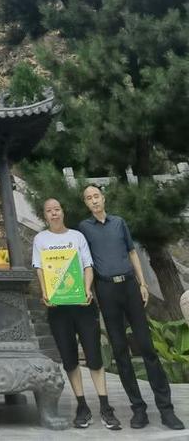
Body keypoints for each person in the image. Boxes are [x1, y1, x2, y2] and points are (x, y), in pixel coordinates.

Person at [80, 185, 185, 431]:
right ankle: (138, 409)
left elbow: (132, 253)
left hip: (129, 286)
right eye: (88, 198)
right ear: (86, 204)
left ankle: (166, 409)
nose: (94, 201)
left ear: (103, 198)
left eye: (96, 196)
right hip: (106, 290)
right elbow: (84, 261)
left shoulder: (119, 223)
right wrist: (88, 289)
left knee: (147, 347)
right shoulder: (84, 229)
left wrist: (142, 283)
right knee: (119, 350)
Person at [32, 198, 121, 430]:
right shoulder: (40, 239)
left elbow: (87, 266)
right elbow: (40, 269)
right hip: (58, 308)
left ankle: (105, 406)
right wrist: (45, 293)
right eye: (49, 211)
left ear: (63, 212)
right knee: (69, 357)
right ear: (45, 216)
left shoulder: (77, 237)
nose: (54, 214)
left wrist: (87, 289)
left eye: (57, 209)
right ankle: (82, 406)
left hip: (82, 304)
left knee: (93, 355)